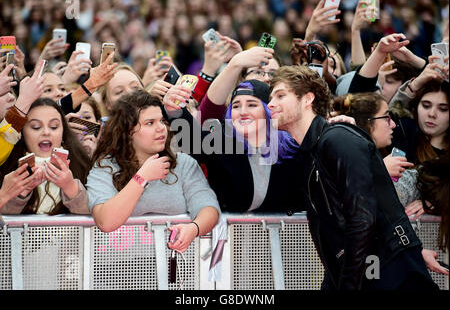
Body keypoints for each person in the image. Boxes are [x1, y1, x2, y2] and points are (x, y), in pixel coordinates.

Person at [268, 65, 437, 290]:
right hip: (367, 271)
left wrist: (347, 284)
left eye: (281, 95)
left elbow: (362, 218)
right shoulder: (313, 152)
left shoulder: (338, 138)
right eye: (271, 97)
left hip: (392, 274)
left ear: (307, 99)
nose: (270, 103)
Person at [86, 90, 220, 253]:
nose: (161, 128)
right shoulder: (105, 167)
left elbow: (209, 208)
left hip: (177, 266)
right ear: (128, 131)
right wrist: (142, 177)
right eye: (150, 123)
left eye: (162, 121)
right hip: (116, 270)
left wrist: (194, 228)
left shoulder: (183, 164)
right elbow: (106, 221)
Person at [163, 79, 301, 214]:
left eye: (252, 105)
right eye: (236, 106)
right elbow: (192, 140)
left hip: (286, 234)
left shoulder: (293, 147)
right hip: (231, 234)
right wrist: (174, 108)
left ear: (268, 110)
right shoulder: (222, 143)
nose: (243, 112)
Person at [0, 98, 91, 215]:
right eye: (36, 127)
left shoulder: (82, 163)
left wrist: (71, 188)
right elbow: (4, 226)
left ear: (63, 131)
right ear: (22, 133)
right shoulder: (7, 168)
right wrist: (21, 193)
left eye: (54, 127)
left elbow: (97, 220)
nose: (46, 132)